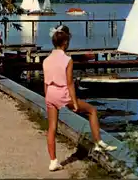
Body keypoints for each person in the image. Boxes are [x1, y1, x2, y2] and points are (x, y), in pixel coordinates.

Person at [43, 25, 117, 172]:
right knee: (92, 110)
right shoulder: (67, 60)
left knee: (52, 127)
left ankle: (53, 161)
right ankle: (98, 142)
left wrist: (47, 98)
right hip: (62, 93)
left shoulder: (46, 60)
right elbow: (70, 83)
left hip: (50, 93)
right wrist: (75, 102)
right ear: (65, 42)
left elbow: (45, 82)